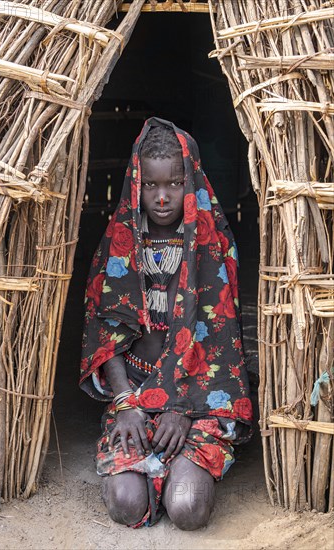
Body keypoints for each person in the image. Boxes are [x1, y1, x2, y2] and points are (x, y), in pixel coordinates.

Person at [80, 117, 252, 530]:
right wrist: (124, 404)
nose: (161, 197)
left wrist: (184, 408)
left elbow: (222, 346)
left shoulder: (213, 247)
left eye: (173, 184)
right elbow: (107, 334)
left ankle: (178, 474)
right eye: (151, 186)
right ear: (136, 185)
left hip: (199, 402)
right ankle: (145, 471)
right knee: (125, 505)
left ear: (190, 182)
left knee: (187, 508)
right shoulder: (119, 246)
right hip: (135, 399)